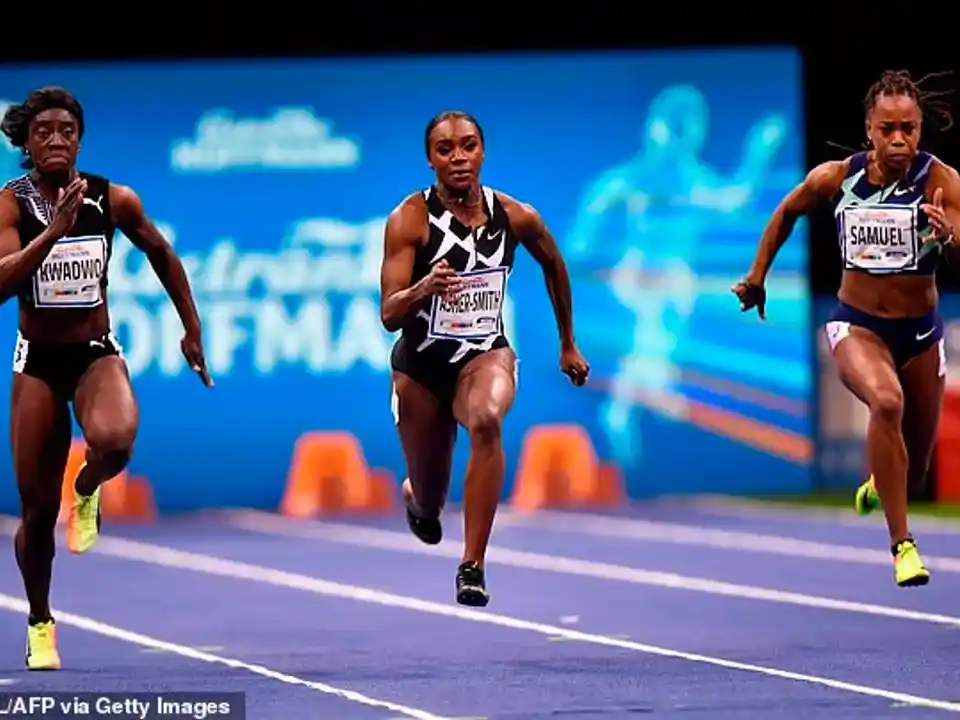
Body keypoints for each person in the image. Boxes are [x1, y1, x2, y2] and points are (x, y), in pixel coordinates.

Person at [0, 87, 212, 670]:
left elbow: (161, 252)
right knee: (36, 512)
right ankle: (40, 621)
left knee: (117, 440)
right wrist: (51, 233)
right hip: (38, 362)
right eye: (43, 131)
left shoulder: (112, 198)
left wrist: (191, 327)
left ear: (80, 139)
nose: (56, 139)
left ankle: (88, 485)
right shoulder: (10, 204)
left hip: (94, 351)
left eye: (67, 130)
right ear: (26, 143)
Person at [733, 69, 960, 588]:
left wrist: (948, 237)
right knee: (886, 402)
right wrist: (757, 277)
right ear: (868, 130)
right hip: (858, 326)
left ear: (920, 129)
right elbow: (786, 212)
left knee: (914, 473)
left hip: (921, 334)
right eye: (887, 129)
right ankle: (903, 547)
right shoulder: (836, 178)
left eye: (908, 129)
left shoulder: (941, 181)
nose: (899, 140)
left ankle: (880, 481)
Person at [379, 110, 589, 606]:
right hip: (420, 370)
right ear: (430, 160)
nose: (458, 158)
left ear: (483, 152)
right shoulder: (410, 219)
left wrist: (567, 342)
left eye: (468, 146)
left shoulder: (514, 216)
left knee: (488, 419)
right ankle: (417, 499)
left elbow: (555, 265)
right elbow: (389, 314)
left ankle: (472, 566)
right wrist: (425, 287)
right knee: (431, 499)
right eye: (445, 149)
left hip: (484, 354)